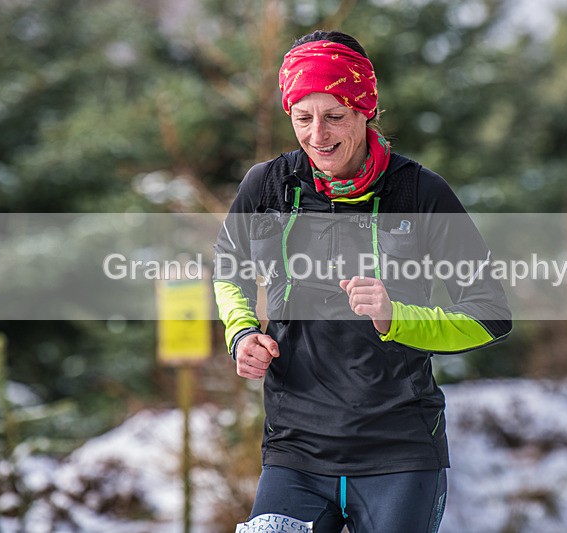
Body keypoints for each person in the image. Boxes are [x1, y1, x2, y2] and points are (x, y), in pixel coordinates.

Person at [213, 30, 511, 532]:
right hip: (295, 449)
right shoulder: (267, 186)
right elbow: (228, 266)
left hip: (398, 452)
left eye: (334, 117)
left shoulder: (419, 192)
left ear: (364, 111)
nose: (317, 136)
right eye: (302, 118)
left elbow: (490, 316)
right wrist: (241, 332)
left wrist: (397, 316)